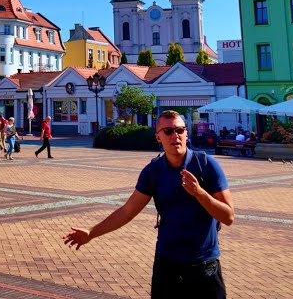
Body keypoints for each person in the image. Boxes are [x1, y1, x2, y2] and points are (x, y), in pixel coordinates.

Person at [64, 111, 233, 298]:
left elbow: (228, 216)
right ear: (158, 137)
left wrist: (199, 193)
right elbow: (127, 211)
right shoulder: (153, 171)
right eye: (168, 131)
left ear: (186, 134)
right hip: (168, 266)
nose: (175, 136)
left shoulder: (207, 166)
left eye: (179, 130)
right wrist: (91, 233)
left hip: (205, 268)